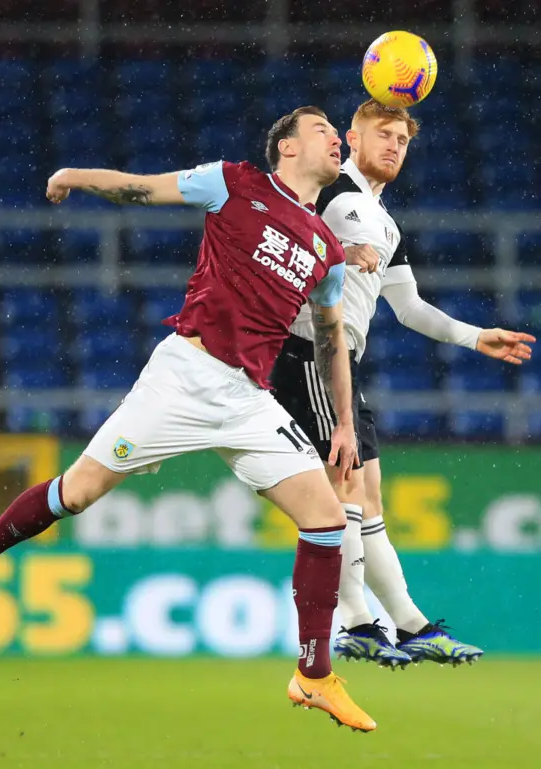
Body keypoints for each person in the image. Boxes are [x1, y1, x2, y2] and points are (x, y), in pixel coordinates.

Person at [0, 106, 376, 732]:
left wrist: (343, 423)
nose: (334, 138)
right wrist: (74, 173)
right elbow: (144, 187)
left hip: (248, 398)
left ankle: (313, 676)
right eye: (322, 129)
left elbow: (330, 341)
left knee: (325, 520)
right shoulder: (234, 182)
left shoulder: (327, 250)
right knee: (75, 494)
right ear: (287, 148)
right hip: (185, 375)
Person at [270, 99, 536, 668]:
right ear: (352, 138)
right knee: (344, 494)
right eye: (382, 134)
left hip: (342, 361)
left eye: (403, 139)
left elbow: (410, 307)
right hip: (308, 352)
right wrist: (339, 248)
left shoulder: (385, 220)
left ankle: (404, 625)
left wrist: (474, 336)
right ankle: (362, 622)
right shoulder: (333, 188)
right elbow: (287, 232)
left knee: (367, 499)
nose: (393, 145)